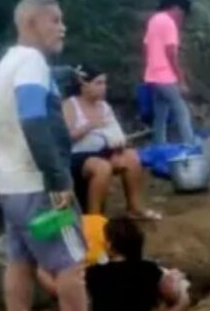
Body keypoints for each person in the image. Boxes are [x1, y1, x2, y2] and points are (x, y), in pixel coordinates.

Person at [0, 0, 131, 311]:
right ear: (31, 24)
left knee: (19, 261)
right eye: (54, 20)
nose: (62, 26)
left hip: (10, 185)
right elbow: (34, 119)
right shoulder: (32, 63)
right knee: (70, 259)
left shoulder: (7, 63)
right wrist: (57, 177)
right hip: (40, 185)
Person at [63, 65, 157, 219]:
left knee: (131, 157)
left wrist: (119, 145)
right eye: (98, 83)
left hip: (102, 151)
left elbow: (115, 134)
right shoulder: (70, 105)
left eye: (104, 83)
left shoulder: (104, 106)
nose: (103, 88)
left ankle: (134, 207)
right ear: (84, 85)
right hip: (77, 156)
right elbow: (65, 139)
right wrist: (90, 125)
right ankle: (95, 219)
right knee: (102, 167)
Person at [85, 216, 191, 311]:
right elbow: (170, 292)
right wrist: (178, 286)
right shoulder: (149, 269)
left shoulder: (93, 273)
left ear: (109, 245)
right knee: (182, 300)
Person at [143, 0, 195, 145]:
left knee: (160, 115)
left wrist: (153, 64)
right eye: (182, 14)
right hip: (166, 77)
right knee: (182, 111)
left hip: (152, 75)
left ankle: (159, 146)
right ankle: (190, 145)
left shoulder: (154, 20)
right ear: (177, 8)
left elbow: (146, 46)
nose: (181, 18)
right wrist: (181, 80)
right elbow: (171, 53)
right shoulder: (169, 23)